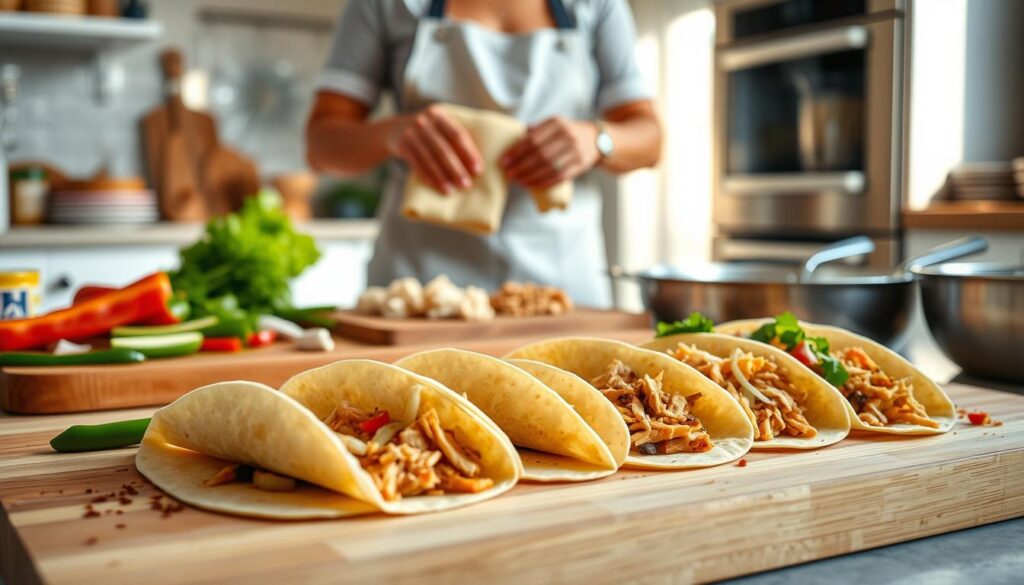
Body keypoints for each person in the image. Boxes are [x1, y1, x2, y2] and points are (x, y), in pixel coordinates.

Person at [306, 0, 662, 307]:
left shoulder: (596, 5)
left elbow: (650, 138)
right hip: (420, 287)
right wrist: (392, 134)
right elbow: (320, 145)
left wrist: (597, 139)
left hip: (563, 284)